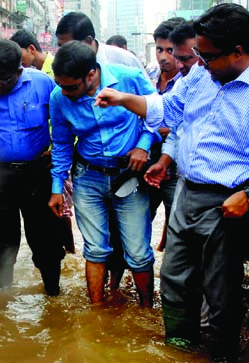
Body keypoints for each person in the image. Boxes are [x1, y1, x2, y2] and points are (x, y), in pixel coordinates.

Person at [95, 3, 249, 362]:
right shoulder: (203, 75)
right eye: (199, 54)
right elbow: (169, 108)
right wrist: (123, 99)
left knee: (220, 287)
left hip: (229, 202)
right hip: (187, 191)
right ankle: (179, 352)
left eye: (207, 57)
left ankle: (222, 360)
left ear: (239, 52)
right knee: (175, 276)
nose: (199, 64)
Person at [48, 41, 157, 307]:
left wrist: (143, 146)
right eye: (60, 85)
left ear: (92, 74)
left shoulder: (129, 79)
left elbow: (158, 115)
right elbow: (61, 144)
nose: (65, 92)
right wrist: (56, 187)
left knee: (139, 253)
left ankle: (147, 311)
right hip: (88, 177)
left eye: (71, 87)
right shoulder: (58, 97)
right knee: (95, 250)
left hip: (129, 176)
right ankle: (96, 313)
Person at [0, 40, 65, 295]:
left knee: (46, 239)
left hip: (38, 173)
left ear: (19, 71)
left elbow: (61, 119)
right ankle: (4, 298)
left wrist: (57, 155)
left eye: (3, 79)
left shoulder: (42, 84)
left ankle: (52, 293)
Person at [10, 28, 76, 254]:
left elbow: (68, 115)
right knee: (52, 209)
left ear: (31, 49)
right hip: (43, 157)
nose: (17, 65)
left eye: (19, 58)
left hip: (58, 155)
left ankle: (70, 252)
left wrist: (58, 151)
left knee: (61, 208)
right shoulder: (28, 77)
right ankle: (62, 251)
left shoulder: (54, 73)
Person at [148, 18, 184, 251]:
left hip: (178, 172)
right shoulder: (148, 78)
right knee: (136, 227)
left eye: (170, 50)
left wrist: (165, 129)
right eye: (159, 49)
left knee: (178, 233)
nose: (163, 56)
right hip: (147, 169)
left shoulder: (191, 81)